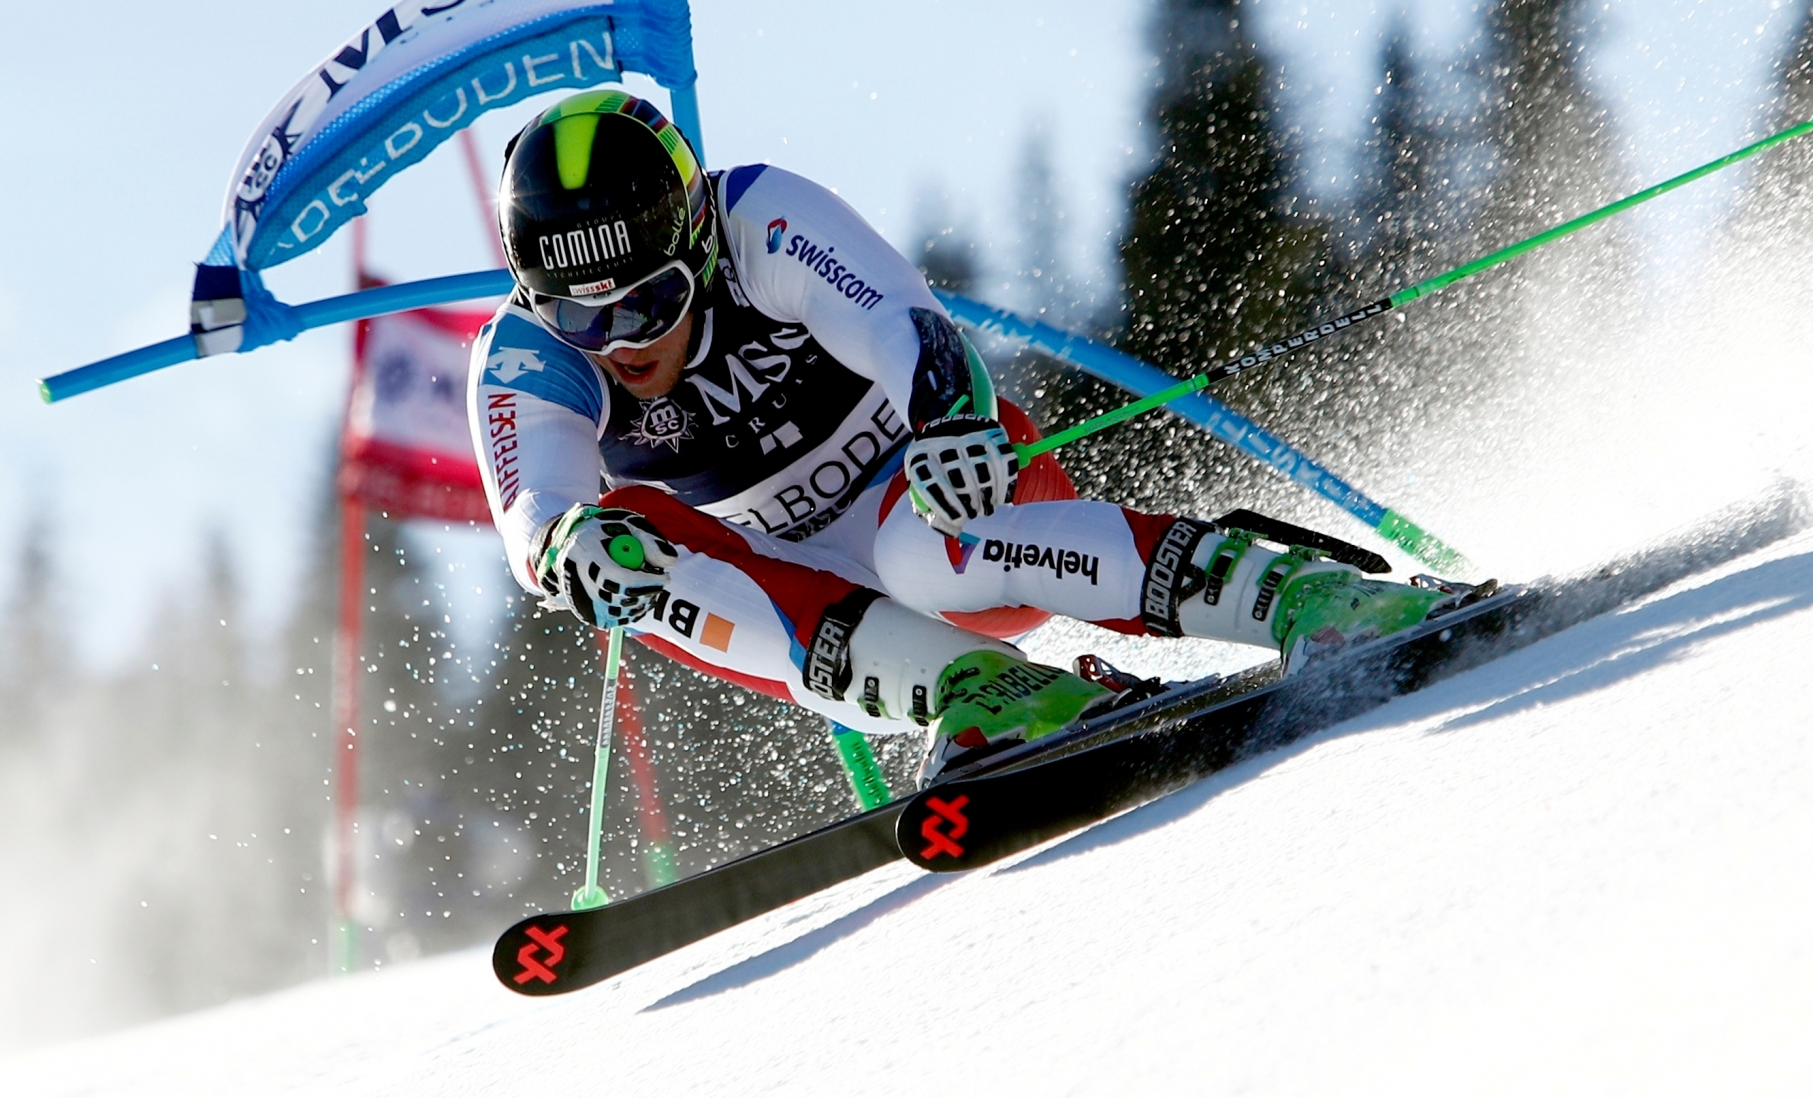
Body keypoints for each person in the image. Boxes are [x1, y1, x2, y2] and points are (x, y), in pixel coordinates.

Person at [469, 89, 1465, 779]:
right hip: (802, 591)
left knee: (925, 551)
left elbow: (905, 325)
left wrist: (950, 422)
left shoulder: (754, 220)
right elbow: (537, 519)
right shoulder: (523, 357)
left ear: (692, 245)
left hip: (937, 496)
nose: (614, 344)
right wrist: (569, 547)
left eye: (648, 306)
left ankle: (1300, 593)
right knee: (623, 552)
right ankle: (983, 693)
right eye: (576, 317)